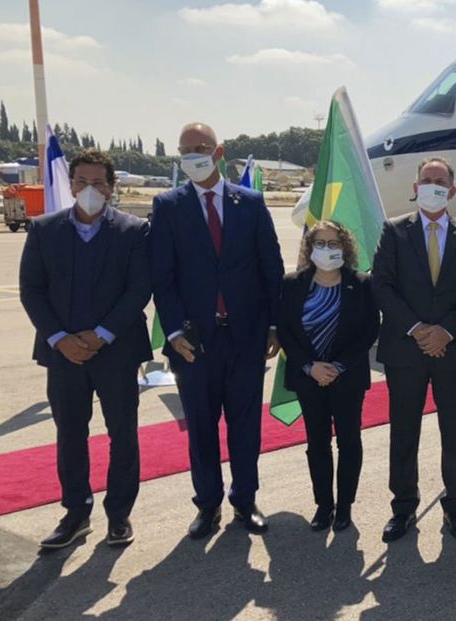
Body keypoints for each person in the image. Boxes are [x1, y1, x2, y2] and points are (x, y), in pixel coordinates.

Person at [149, 122, 284, 539]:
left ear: (219, 152)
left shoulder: (251, 203)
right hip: (195, 343)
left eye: (201, 147)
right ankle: (207, 505)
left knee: (245, 426)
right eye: (185, 149)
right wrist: (174, 332)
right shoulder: (168, 205)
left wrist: (275, 325)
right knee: (202, 427)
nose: (193, 155)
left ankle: (245, 500)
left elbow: (271, 267)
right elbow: (162, 278)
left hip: (245, 338)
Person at [19, 148, 151, 549]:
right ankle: (76, 514)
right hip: (63, 354)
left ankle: (119, 514)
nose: (89, 189)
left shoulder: (134, 230)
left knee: (122, 433)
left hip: (117, 350)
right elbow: (32, 290)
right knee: (70, 434)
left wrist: (101, 334)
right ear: (70, 184)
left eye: (97, 182)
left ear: (111, 187)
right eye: (81, 181)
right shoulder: (44, 230)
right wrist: (60, 338)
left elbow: (138, 290)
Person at [371, 157, 456, 542]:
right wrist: (418, 329)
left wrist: (445, 332)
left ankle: (455, 506)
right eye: (426, 180)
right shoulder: (394, 231)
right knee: (404, 431)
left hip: (452, 350)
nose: (432, 186)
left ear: (452, 191)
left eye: (439, 181)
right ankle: (403, 507)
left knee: (454, 432)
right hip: (405, 348)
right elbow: (382, 285)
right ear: (415, 187)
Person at [277, 221, 379, 532]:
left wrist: (337, 366)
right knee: (317, 442)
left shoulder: (362, 284)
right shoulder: (292, 284)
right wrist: (311, 367)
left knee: (349, 441)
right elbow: (286, 331)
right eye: (319, 243)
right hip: (309, 377)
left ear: (345, 247)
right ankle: (324, 506)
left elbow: (369, 331)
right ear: (309, 248)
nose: (326, 249)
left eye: (333, 243)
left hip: (347, 377)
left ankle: (345, 506)